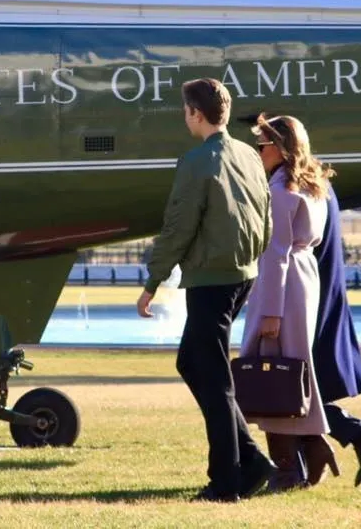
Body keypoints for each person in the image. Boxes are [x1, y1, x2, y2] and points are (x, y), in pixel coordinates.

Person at [136, 77, 275, 503]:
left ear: (195, 113)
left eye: (185, 110)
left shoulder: (196, 162)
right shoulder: (249, 154)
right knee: (192, 363)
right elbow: (265, 218)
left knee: (215, 380)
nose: (185, 116)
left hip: (212, 281)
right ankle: (251, 461)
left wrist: (151, 283)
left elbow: (178, 227)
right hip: (241, 275)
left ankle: (226, 481)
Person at [239, 114, 336, 493]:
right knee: (293, 370)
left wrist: (271, 312)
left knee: (271, 373)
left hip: (283, 282)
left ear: (278, 148)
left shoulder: (281, 189)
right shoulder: (314, 184)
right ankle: (312, 447)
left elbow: (276, 251)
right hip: (303, 276)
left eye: (261, 145)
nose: (257, 152)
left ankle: (289, 468)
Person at [300, 181, 361, 487]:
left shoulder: (293, 186)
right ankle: (348, 439)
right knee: (299, 387)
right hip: (323, 287)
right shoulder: (320, 186)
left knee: (287, 385)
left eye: (262, 145)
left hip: (305, 293)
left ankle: (355, 434)